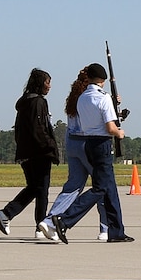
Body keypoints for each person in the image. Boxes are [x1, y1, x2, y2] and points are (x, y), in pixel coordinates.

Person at [48, 63, 131, 243]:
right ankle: (64, 220)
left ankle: (116, 231)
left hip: (89, 143)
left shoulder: (82, 98)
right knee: (101, 188)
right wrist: (120, 132)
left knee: (110, 190)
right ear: (102, 80)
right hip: (102, 143)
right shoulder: (104, 98)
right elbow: (110, 127)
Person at [0, 68, 59, 239]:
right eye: (47, 82)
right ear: (40, 84)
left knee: (34, 188)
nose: (50, 86)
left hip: (25, 153)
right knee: (42, 189)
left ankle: (7, 214)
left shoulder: (24, 103)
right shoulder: (38, 102)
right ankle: (40, 226)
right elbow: (39, 129)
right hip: (39, 153)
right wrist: (51, 147)